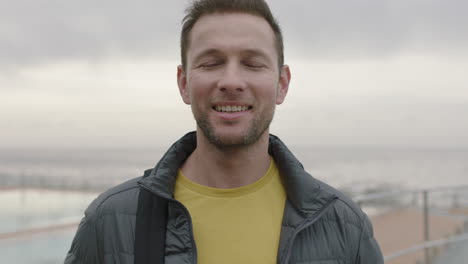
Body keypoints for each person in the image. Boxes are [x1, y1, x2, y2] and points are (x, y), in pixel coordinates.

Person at [65, 0, 384, 263]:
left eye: (253, 63)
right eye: (212, 62)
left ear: (281, 84)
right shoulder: (110, 221)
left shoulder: (344, 225)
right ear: (184, 83)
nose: (231, 81)